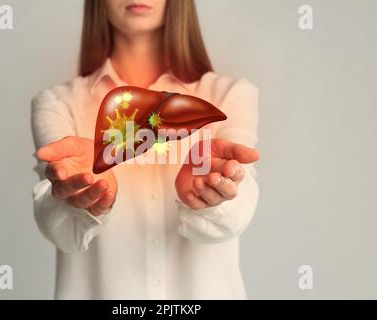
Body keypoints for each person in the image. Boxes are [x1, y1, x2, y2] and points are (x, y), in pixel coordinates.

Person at [31, 0, 260, 299]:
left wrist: (212, 194)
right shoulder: (58, 104)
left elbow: (237, 214)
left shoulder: (231, 95)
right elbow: (60, 230)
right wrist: (83, 197)